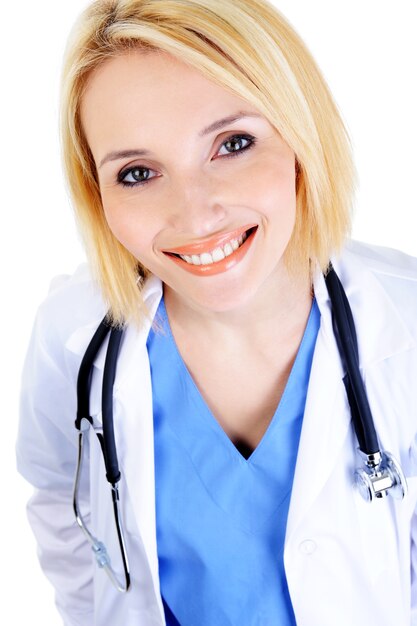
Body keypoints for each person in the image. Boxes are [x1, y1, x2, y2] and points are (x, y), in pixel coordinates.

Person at [16, 0, 417, 624]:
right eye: (138, 172)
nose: (196, 214)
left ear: (300, 137)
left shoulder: (406, 324)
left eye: (233, 143)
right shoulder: (69, 333)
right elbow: (59, 505)